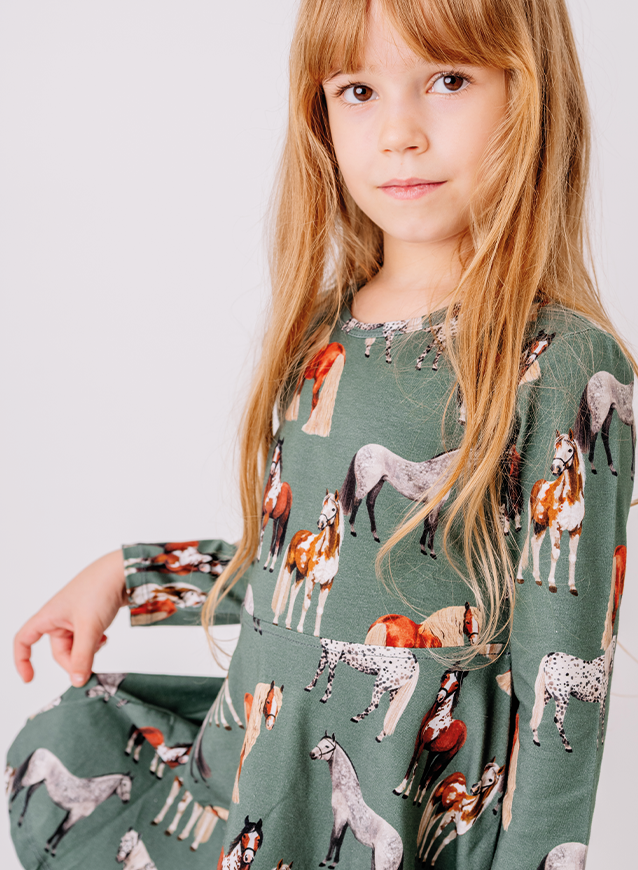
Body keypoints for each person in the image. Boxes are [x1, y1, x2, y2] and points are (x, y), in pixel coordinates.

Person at [7, 1, 635, 868]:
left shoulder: (561, 365)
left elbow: (567, 691)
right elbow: (311, 582)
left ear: (530, 94)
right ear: (320, 113)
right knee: (64, 748)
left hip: (405, 816)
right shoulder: (321, 335)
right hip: (256, 787)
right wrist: (135, 577)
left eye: (448, 80)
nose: (400, 132)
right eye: (359, 90)